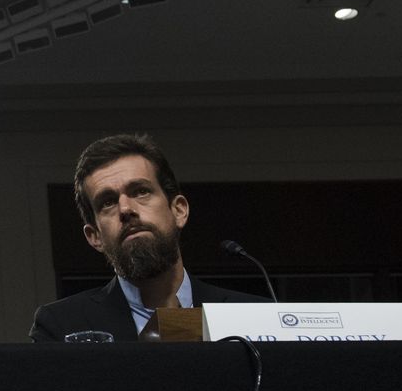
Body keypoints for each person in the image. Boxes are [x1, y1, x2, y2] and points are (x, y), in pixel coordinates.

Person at [29, 134, 262, 342]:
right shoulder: (60, 326)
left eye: (141, 191)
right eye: (108, 202)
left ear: (179, 210)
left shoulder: (255, 315)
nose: (125, 209)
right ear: (95, 236)